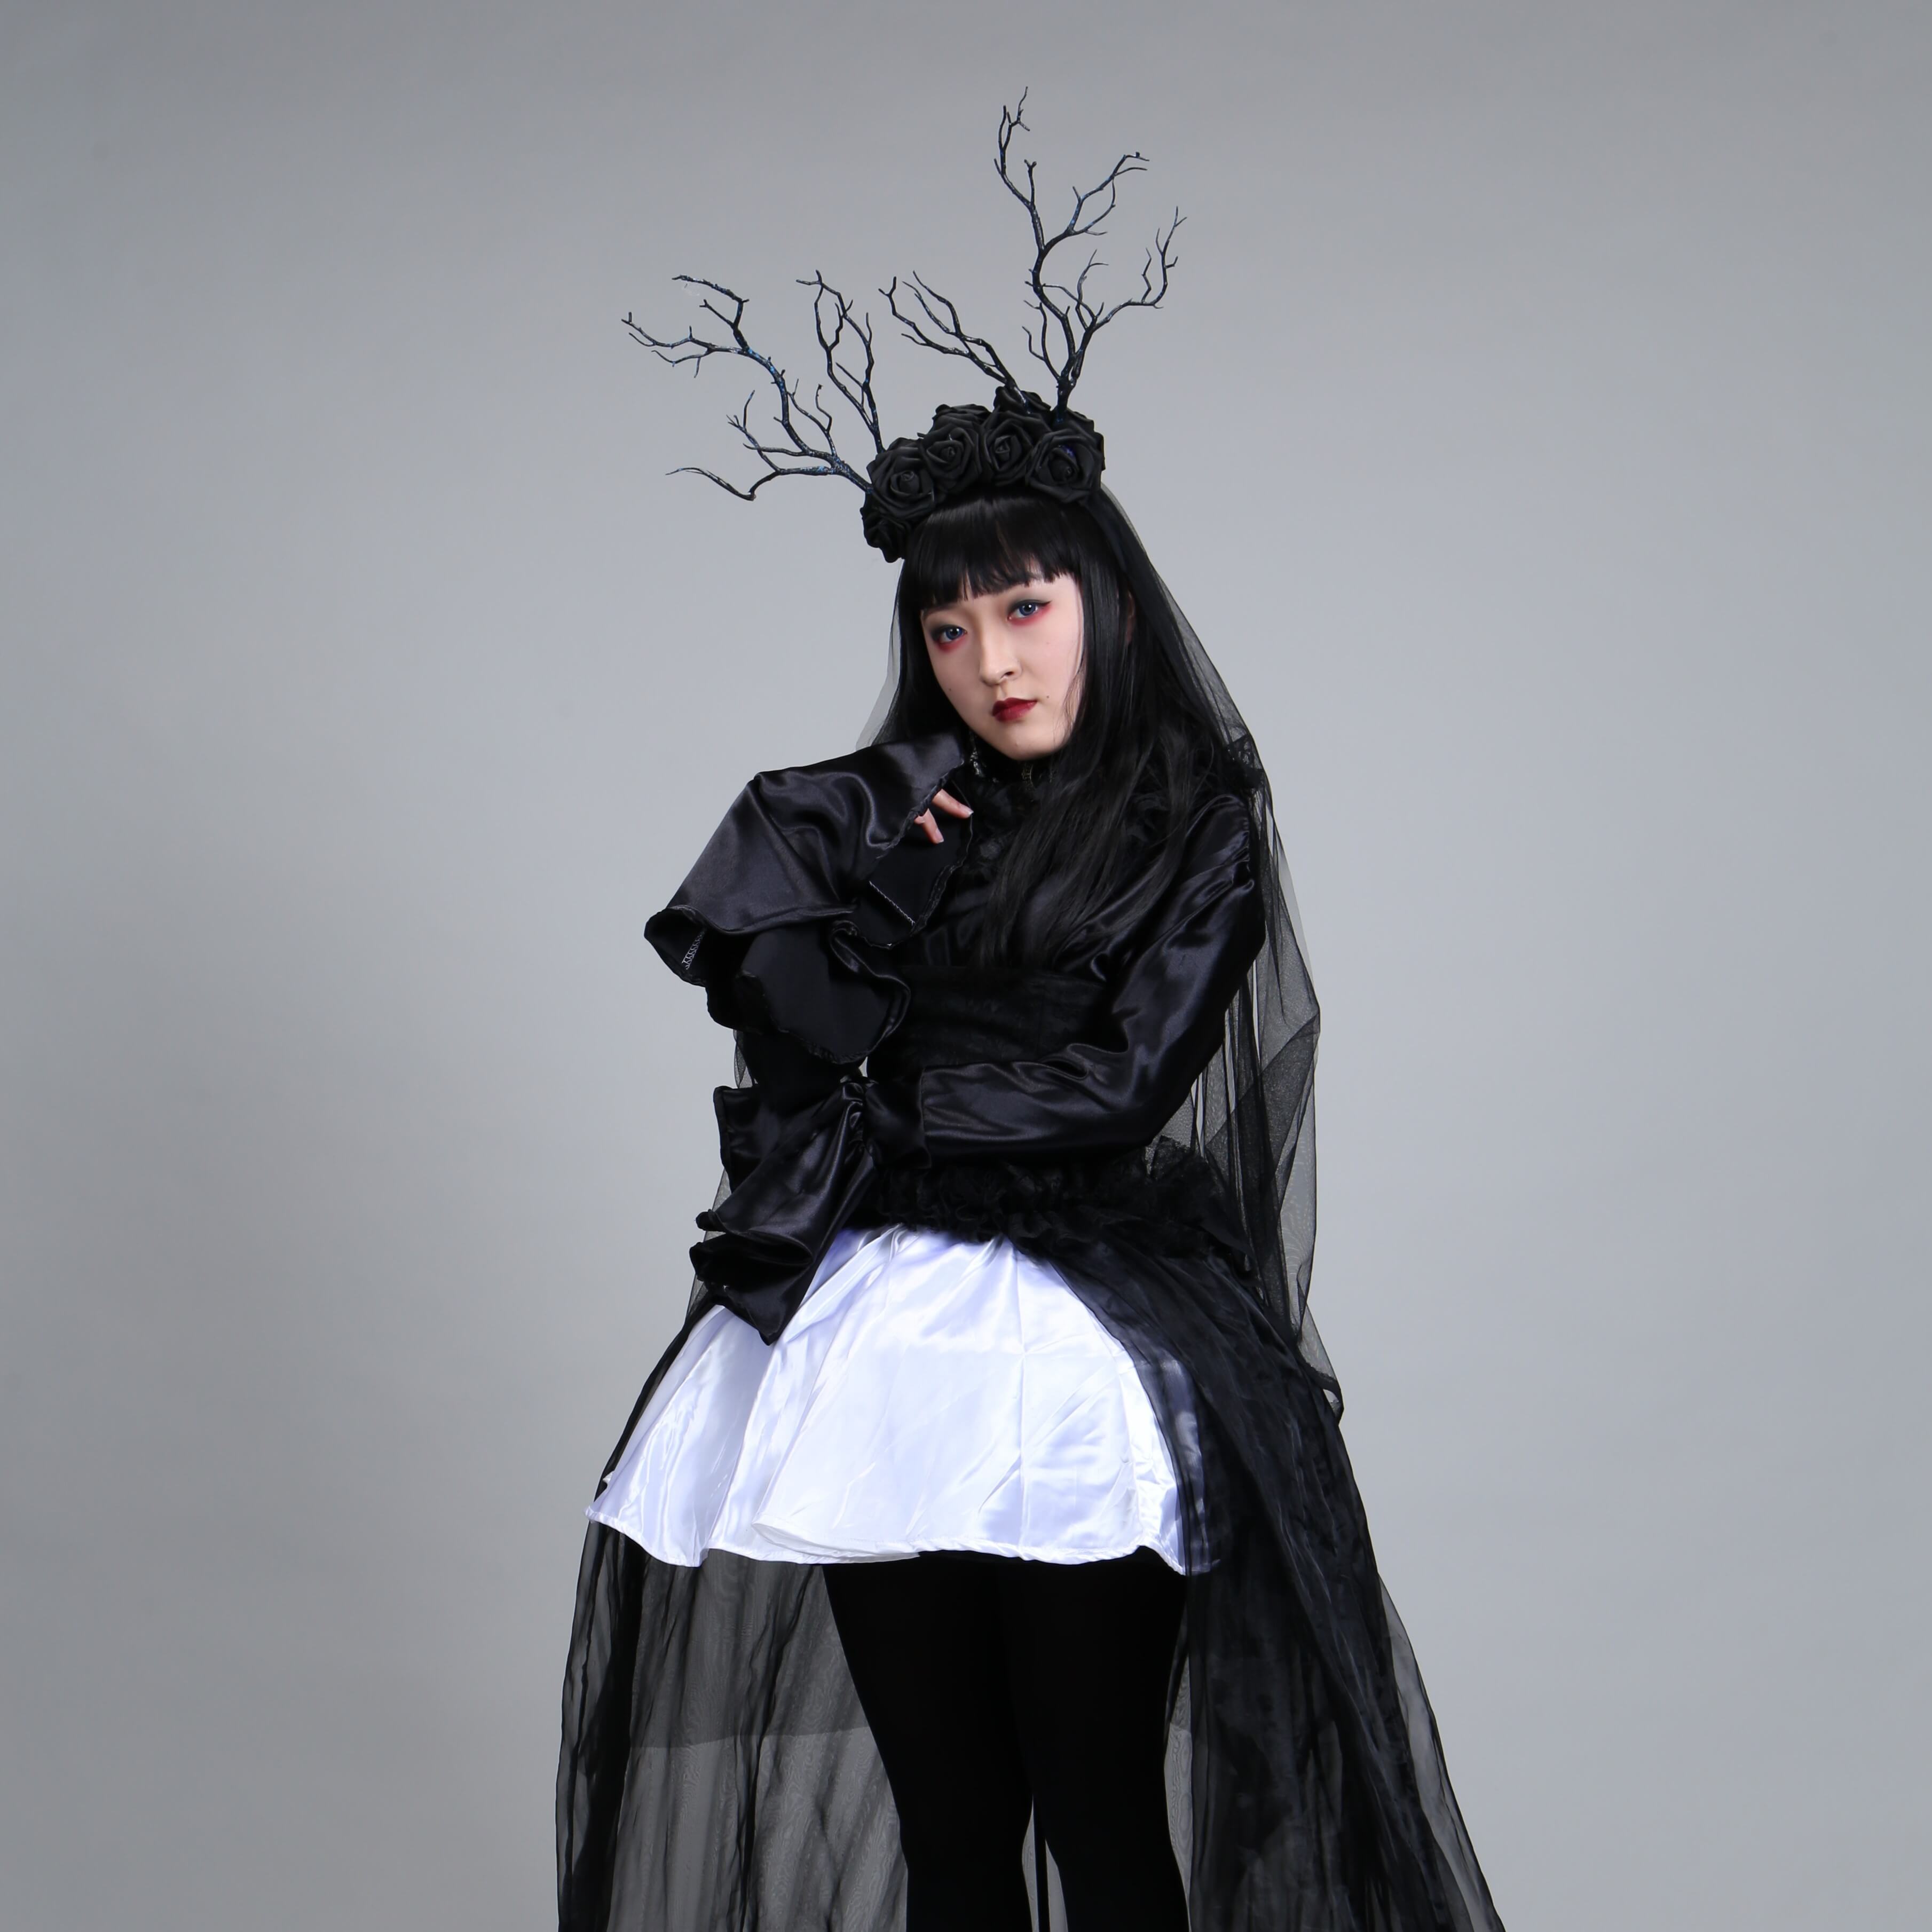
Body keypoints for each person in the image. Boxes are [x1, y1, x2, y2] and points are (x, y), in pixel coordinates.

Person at [558, 104, 1505, 1932]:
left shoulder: (1195, 823)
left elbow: (1114, 1083)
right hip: (875, 1339)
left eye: (1023, 604)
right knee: (949, 1828)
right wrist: (859, 938)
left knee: (1101, 1810)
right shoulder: (869, 816)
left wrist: (884, 1085)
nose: (991, 660)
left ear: (1104, 598)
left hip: (1085, 1348)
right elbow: (784, 1016)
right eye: (946, 629)